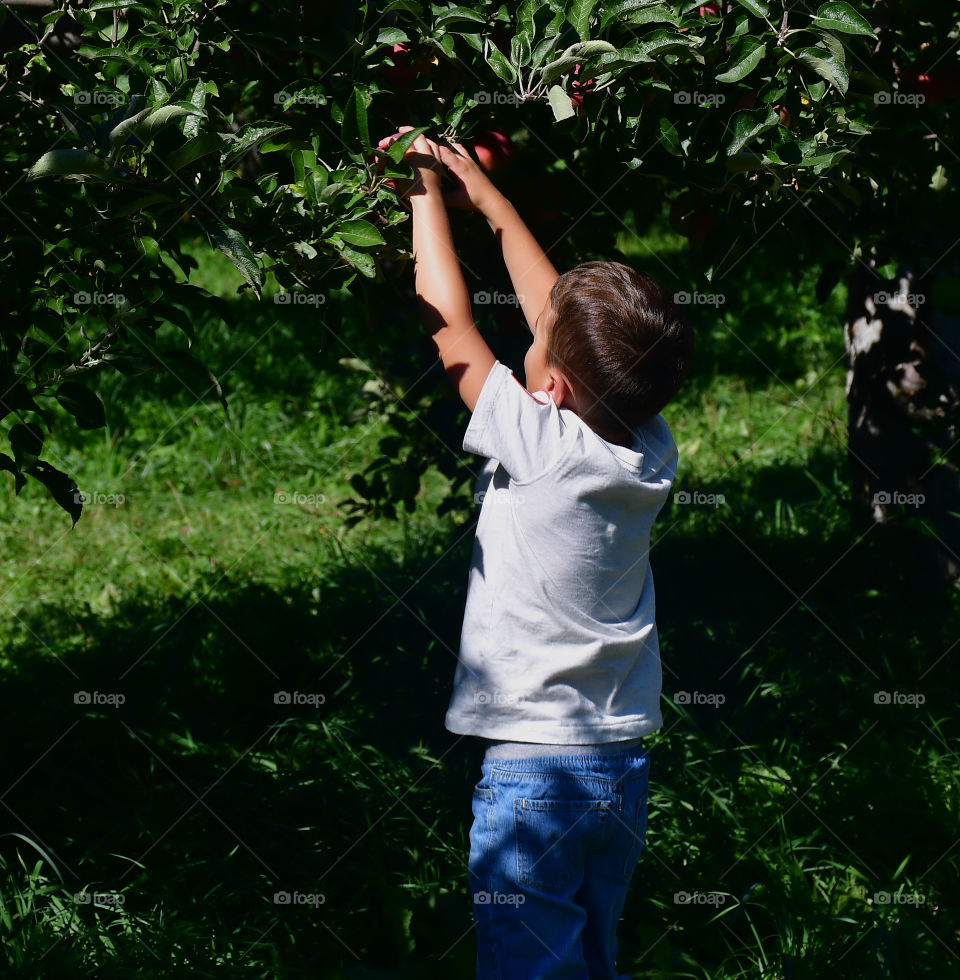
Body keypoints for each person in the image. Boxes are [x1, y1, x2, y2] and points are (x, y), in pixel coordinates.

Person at [378, 128, 693, 980]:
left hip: (533, 780)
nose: (536, 318)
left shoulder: (541, 444)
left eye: (540, 339)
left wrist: (423, 193)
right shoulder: (647, 443)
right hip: (619, 766)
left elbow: (450, 326)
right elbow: (561, 319)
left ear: (549, 389)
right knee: (593, 958)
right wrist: (485, 195)